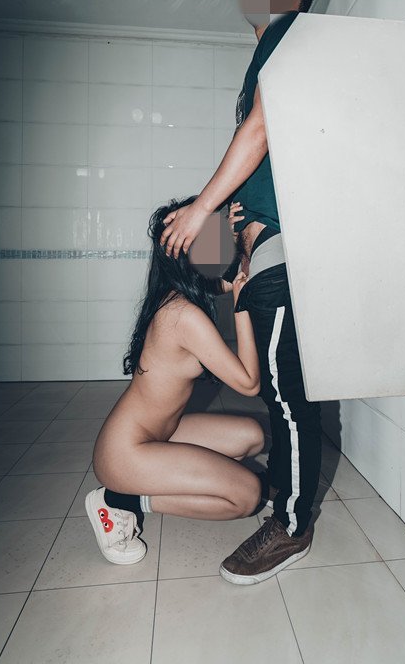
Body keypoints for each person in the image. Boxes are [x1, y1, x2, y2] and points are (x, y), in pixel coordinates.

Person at [158, 0, 322, 584]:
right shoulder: (265, 50)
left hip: (279, 241)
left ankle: (292, 525)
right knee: (278, 390)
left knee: (284, 393)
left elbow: (260, 130)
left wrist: (202, 208)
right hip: (262, 241)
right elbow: (257, 152)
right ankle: (284, 499)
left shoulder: (287, 35)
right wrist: (221, 225)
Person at [84, 198, 265, 565]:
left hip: (161, 433)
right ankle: (122, 500)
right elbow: (249, 383)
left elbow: (220, 280)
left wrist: (226, 229)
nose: (221, 247)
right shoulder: (182, 316)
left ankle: (152, 482)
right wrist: (241, 304)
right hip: (125, 452)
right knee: (247, 496)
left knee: (252, 435)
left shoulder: (176, 297)